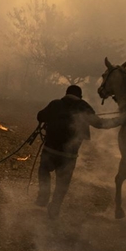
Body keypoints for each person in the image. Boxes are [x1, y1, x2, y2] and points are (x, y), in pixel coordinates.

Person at [36, 84, 100, 219]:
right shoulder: (84, 107)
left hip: (50, 149)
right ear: (80, 96)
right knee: (63, 183)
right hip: (69, 155)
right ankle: (55, 207)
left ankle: (43, 196)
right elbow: (98, 123)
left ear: (66, 93)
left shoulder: (55, 104)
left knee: (44, 171)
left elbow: (40, 116)